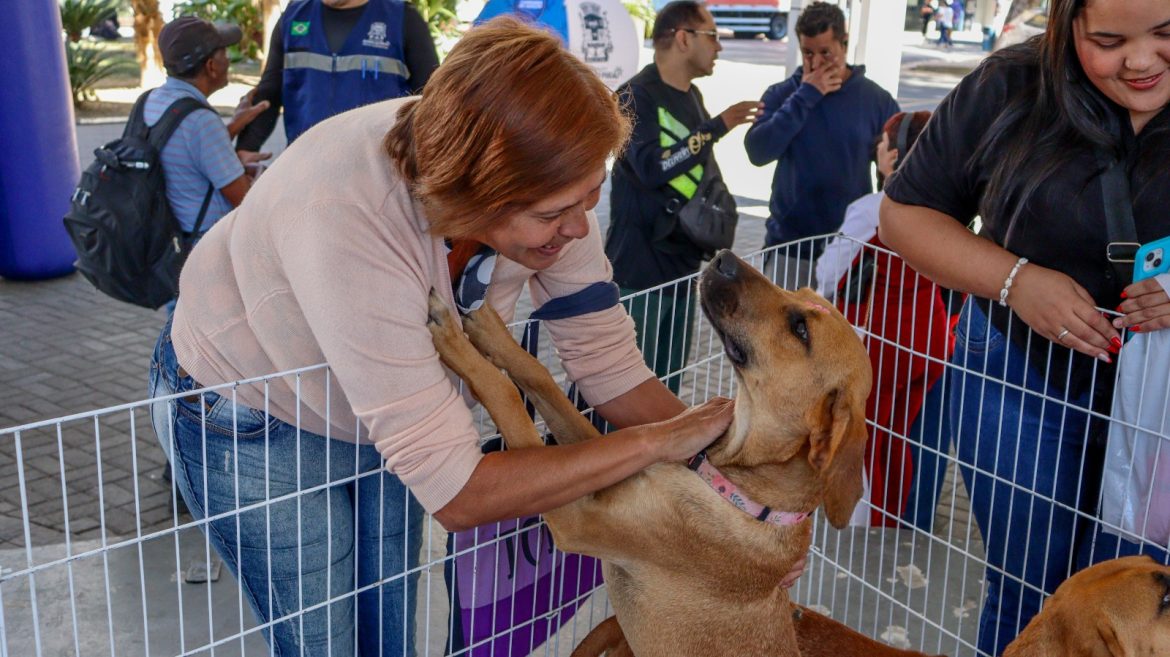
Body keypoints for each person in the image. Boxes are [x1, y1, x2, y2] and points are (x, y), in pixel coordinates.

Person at [148, 18, 743, 657]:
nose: (578, 228)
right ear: (474, 192)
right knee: (326, 643)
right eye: (552, 214)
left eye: (591, 196)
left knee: (390, 633)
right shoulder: (349, 216)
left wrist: (742, 501)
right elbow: (459, 493)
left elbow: (608, 364)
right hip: (252, 409)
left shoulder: (546, 180)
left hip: (379, 407)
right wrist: (657, 443)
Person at [879, 0, 1170, 653]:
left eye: (1166, 32)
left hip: (1159, 408)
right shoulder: (1006, 87)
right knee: (1031, 595)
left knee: (1145, 601)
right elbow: (905, 216)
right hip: (1019, 380)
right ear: (1068, 25)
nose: (1143, 60)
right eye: (1109, 41)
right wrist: (1014, 281)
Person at [604, 0, 759, 393]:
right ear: (684, 39)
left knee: (669, 381)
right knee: (629, 388)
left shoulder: (690, 96)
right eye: (713, 36)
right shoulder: (635, 96)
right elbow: (653, 168)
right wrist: (717, 127)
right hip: (639, 270)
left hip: (682, 261)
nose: (720, 47)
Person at [815, 111, 952, 528]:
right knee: (911, 437)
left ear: (894, 155)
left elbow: (829, 272)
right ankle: (907, 518)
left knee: (869, 437)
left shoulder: (873, 208)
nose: (876, 148)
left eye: (882, 142)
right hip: (930, 335)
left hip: (882, 342)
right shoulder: (945, 206)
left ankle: (869, 524)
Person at [744, 1, 899, 289]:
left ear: (844, 44)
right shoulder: (783, 94)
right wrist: (805, 96)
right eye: (808, 53)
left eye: (826, 52)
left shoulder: (876, 100)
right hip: (790, 247)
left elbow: (893, 172)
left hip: (850, 249)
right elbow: (757, 151)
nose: (816, 63)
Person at [235, 0, 440, 152]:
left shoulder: (402, 19)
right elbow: (270, 91)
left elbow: (432, 100)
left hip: (378, 171)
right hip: (303, 164)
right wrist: (246, 148)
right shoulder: (293, 17)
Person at [152, 16, 271, 242]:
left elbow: (185, 148)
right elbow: (244, 199)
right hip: (200, 245)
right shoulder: (201, 121)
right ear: (211, 66)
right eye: (224, 53)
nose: (228, 60)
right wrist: (254, 170)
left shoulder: (150, 101)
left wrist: (235, 125)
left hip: (162, 236)